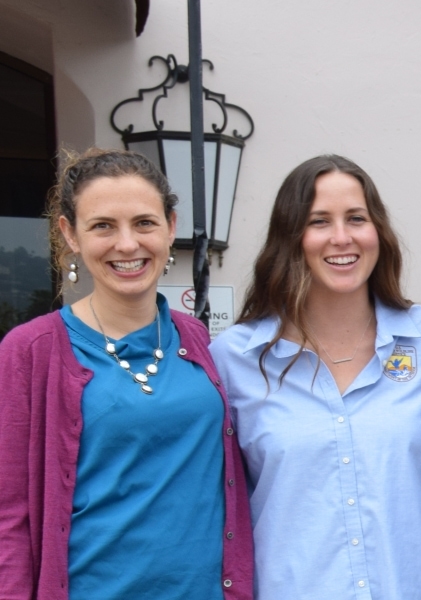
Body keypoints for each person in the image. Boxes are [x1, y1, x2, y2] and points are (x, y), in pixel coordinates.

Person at [0, 148, 254, 598]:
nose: (127, 244)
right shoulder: (32, 350)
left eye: (143, 223)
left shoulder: (195, 336)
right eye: (103, 226)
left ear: (170, 226)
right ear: (70, 234)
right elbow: (10, 515)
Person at [211, 155, 421, 599]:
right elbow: (212, 505)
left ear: (378, 232)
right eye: (319, 221)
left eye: (356, 218)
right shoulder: (235, 358)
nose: (341, 237)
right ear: (291, 238)